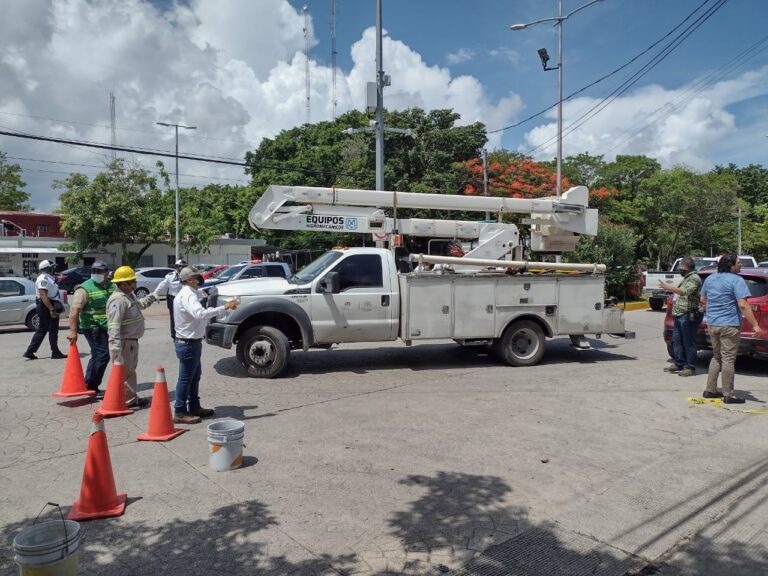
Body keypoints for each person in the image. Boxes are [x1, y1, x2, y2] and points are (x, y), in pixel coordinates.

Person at [173, 266, 240, 424]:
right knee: (186, 379)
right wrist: (224, 307)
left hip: (191, 342)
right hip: (188, 343)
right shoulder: (188, 295)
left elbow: (200, 313)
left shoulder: (189, 293)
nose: (200, 279)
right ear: (189, 279)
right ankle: (180, 411)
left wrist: (222, 309)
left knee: (194, 377)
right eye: (197, 277)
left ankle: (194, 407)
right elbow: (200, 314)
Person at [700, 253, 763, 404]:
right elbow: (743, 304)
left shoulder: (710, 278)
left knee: (716, 356)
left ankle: (710, 389)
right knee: (728, 358)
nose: (740, 265)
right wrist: (755, 325)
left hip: (713, 323)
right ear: (731, 265)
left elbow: (703, 299)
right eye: (738, 263)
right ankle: (729, 394)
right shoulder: (737, 280)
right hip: (729, 324)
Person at [107, 266, 157, 408]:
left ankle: (129, 398)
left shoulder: (129, 296)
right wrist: (115, 347)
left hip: (131, 342)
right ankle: (128, 401)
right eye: (131, 281)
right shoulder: (118, 300)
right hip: (124, 342)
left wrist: (151, 297)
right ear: (122, 283)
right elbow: (114, 325)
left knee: (129, 371)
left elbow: (140, 305)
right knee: (126, 373)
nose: (134, 283)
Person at [67, 261, 114, 397]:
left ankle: (88, 383)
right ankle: (92, 386)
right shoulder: (84, 288)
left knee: (97, 354)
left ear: (106, 272)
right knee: (102, 354)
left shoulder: (111, 286)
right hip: (92, 326)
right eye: (94, 271)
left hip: (106, 326)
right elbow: (74, 310)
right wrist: (73, 331)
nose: (96, 274)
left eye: (99, 271)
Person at [660, 257, 703, 377]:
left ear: (687, 267)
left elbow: (685, 291)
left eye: (682, 267)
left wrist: (669, 287)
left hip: (688, 314)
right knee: (676, 340)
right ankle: (679, 363)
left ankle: (690, 367)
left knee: (688, 341)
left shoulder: (694, 278)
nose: (680, 269)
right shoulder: (687, 278)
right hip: (680, 314)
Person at [23, 260, 66, 360]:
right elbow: (43, 295)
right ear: (49, 268)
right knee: (53, 330)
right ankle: (55, 352)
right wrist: (51, 309)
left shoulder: (49, 278)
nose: (54, 268)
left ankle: (30, 351)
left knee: (42, 330)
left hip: (47, 305)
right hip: (46, 306)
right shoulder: (44, 279)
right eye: (53, 267)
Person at [153, 259, 187, 340]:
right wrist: (155, 293)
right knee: (173, 317)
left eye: (184, 266)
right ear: (177, 267)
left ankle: (183, 333)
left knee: (184, 316)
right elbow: (162, 284)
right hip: (172, 298)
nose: (182, 268)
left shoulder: (187, 275)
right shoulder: (170, 275)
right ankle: (174, 334)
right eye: (180, 266)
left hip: (183, 298)